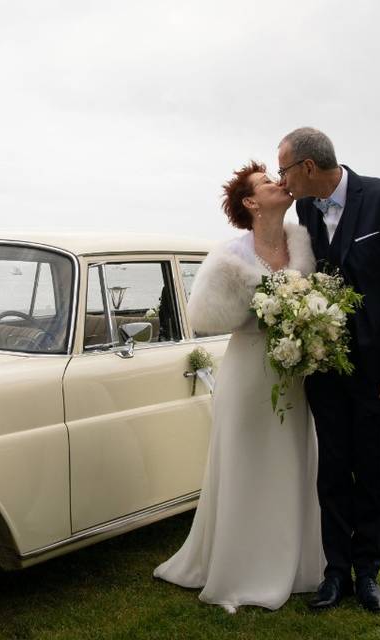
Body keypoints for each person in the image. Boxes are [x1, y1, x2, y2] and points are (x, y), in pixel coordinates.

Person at [153, 162, 325, 612]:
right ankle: (241, 566)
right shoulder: (230, 255)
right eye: (268, 183)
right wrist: (259, 307)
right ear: (251, 202)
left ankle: (297, 562)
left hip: (293, 374)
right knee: (246, 461)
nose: (279, 184)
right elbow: (204, 317)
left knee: (291, 460)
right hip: (249, 371)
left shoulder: (301, 241)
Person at [277, 127, 380, 612]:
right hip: (326, 369)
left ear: (308, 168)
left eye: (285, 170)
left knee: (374, 470)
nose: (284, 181)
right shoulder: (304, 210)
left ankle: (368, 574)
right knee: (333, 471)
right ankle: (335, 572)